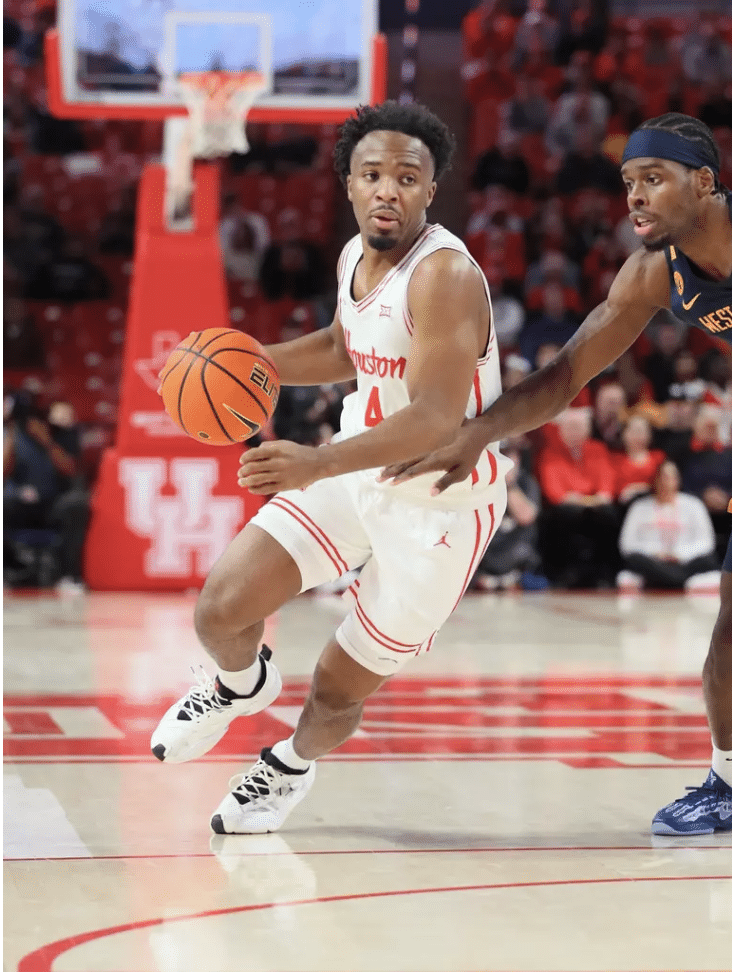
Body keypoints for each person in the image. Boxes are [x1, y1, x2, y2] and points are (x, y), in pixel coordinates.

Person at [150, 101, 511, 834]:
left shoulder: (445, 276)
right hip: (355, 475)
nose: (388, 190)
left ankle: (286, 767)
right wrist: (241, 366)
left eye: (407, 178)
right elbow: (347, 347)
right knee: (221, 607)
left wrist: (315, 462)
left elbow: (438, 419)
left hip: (438, 509)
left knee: (336, 691)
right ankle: (239, 685)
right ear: (348, 182)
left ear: (430, 189)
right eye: (373, 174)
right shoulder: (354, 255)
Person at [381, 113, 732, 836]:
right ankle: (727, 784)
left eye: (654, 180)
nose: (635, 198)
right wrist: (477, 433)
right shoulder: (651, 274)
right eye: (629, 183)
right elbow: (568, 372)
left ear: (705, 184)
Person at [617, 459, 719, 592]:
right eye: (663, 476)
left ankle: (666, 580)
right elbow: (627, 545)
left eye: (671, 476)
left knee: (708, 560)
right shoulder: (639, 507)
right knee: (634, 560)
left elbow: (706, 542)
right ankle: (681, 581)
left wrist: (679, 554)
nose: (667, 481)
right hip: (652, 561)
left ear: (679, 479)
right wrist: (656, 553)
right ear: (655, 479)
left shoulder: (694, 505)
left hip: (685, 562)